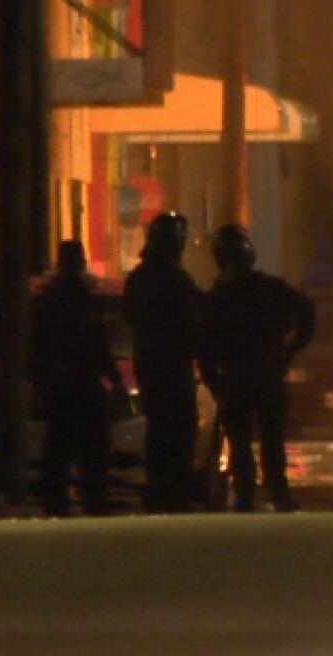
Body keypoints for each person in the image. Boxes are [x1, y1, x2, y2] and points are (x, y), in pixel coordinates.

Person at [200, 224, 314, 512]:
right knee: (271, 438)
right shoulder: (271, 289)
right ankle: (277, 493)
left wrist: (214, 381)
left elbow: (204, 345)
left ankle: (245, 495)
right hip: (266, 374)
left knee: (239, 441)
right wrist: (289, 350)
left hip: (237, 377)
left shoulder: (218, 297)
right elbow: (307, 314)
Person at [29, 240, 125, 517]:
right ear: (80, 263)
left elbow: (36, 344)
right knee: (92, 449)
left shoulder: (47, 301)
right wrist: (114, 378)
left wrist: (36, 381)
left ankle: (57, 504)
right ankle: (93, 500)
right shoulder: (86, 300)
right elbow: (98, 345)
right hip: (83, 385)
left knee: (58, 448)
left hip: (58, 386)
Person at [124, 211, 203, 512]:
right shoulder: (176, 280)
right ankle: (175, 492)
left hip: (150, 366)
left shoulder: (140, 278)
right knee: (179, 429)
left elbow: (132, 316)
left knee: (158, 429)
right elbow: (192, 325)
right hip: (173, 368)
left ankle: (159, 489)